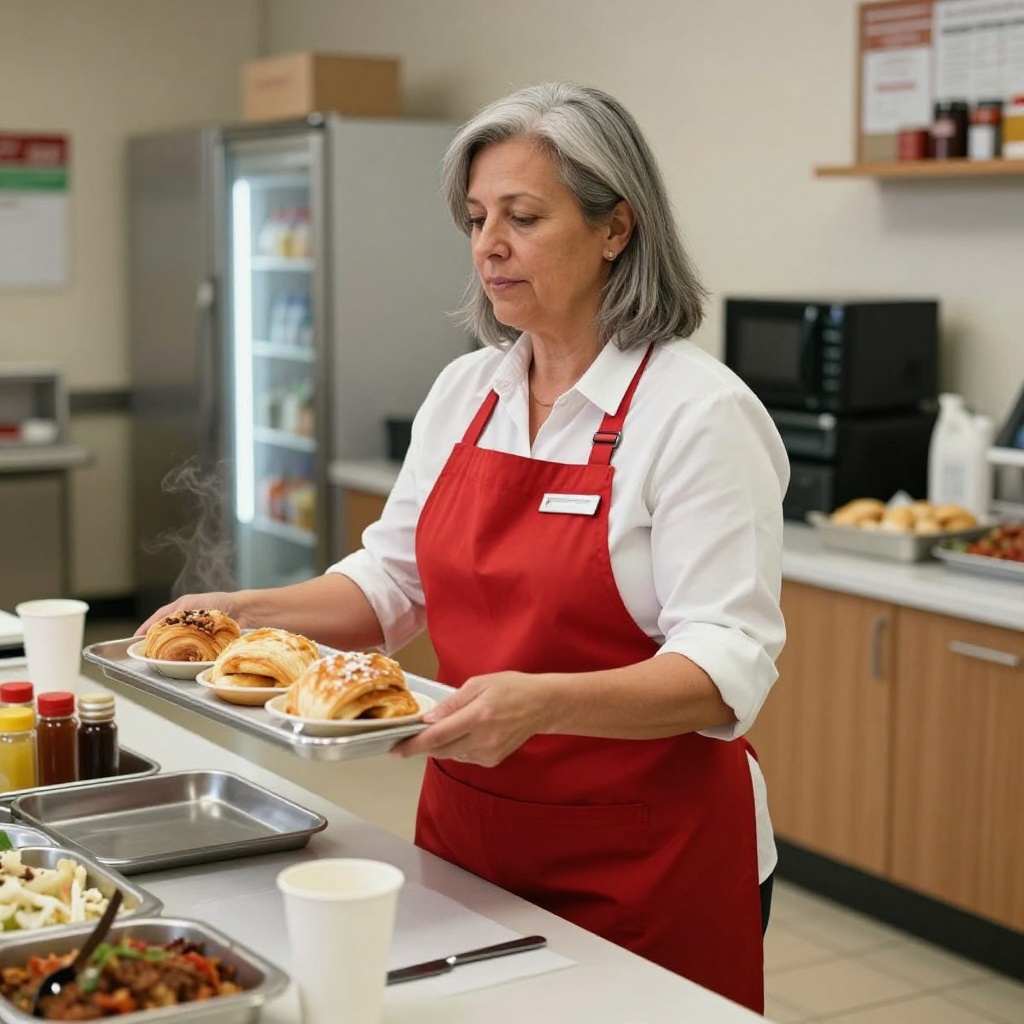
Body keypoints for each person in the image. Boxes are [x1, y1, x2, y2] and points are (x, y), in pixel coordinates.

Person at [141, 82, 788, 1013]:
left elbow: (725, 668)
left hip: (646, 858)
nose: (489, 245)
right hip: (469, 835)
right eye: (477, 217)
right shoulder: (467, 392)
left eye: (524, 217)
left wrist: (541, 705)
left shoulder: (697, 413)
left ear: (617, 229)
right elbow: (391, 584)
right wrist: (245, 612)